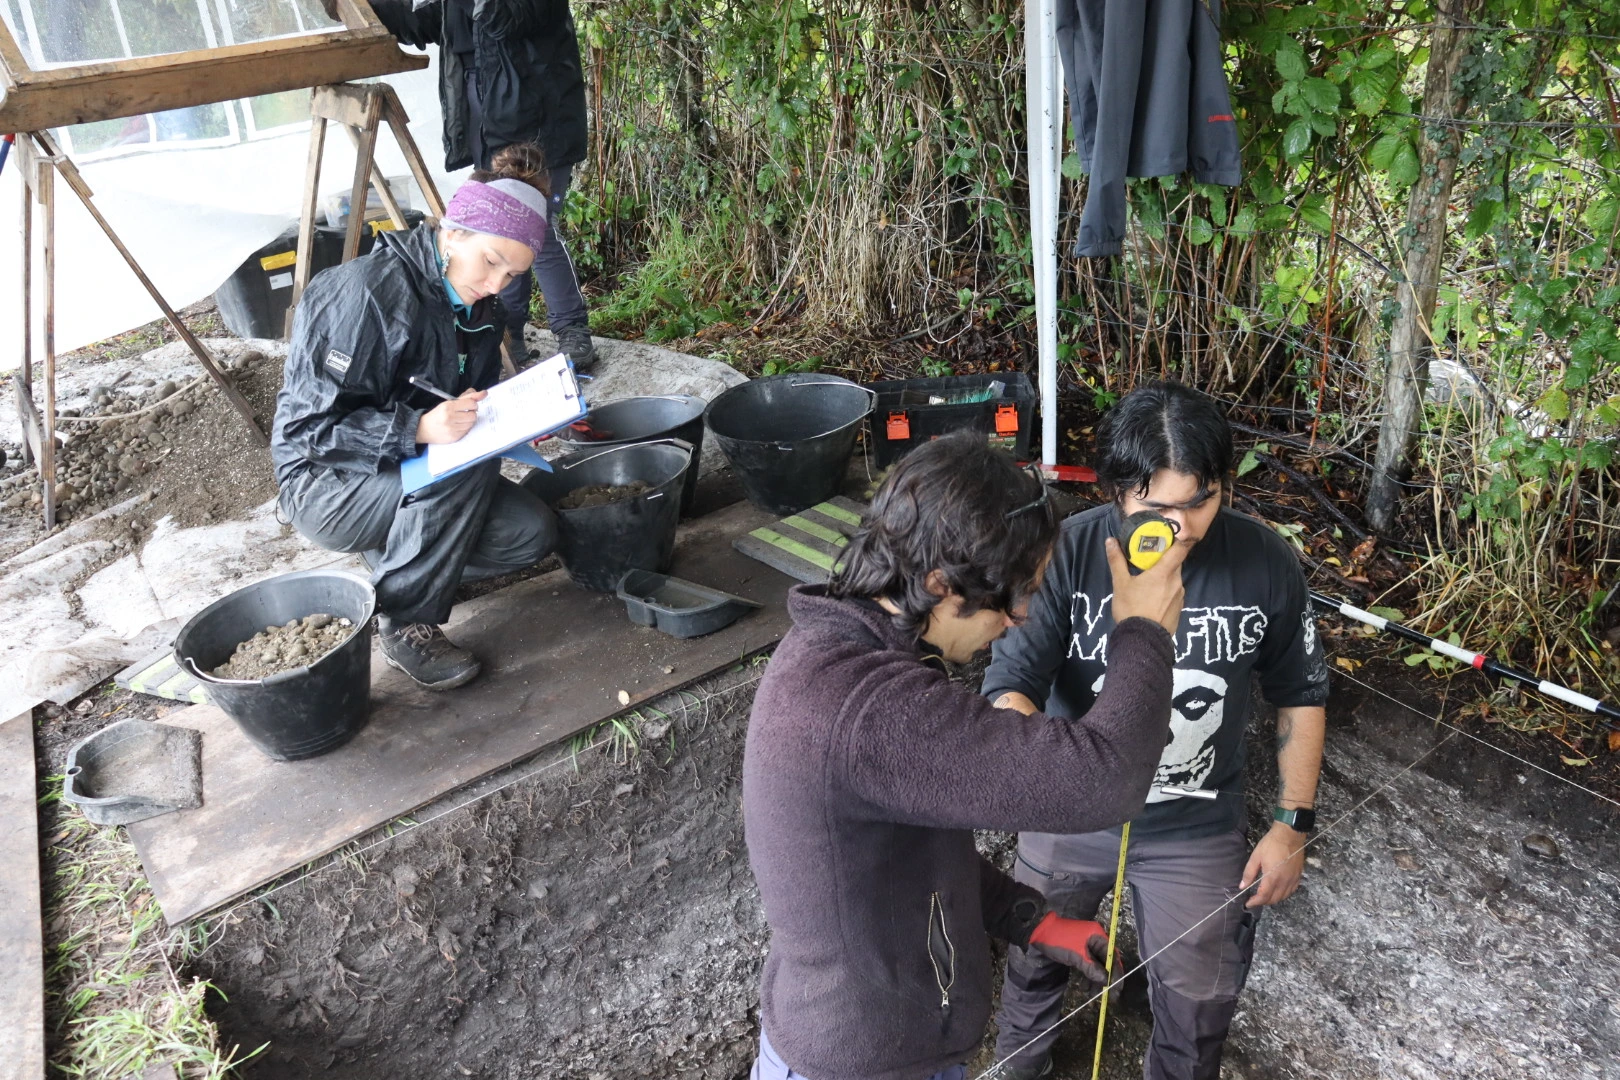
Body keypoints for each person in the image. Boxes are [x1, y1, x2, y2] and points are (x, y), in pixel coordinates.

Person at [742, 432, 1193, 1080]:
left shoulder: (850, 654)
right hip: (862, 1064)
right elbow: (1107, 778)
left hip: (878, 1045)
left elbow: (903, 858)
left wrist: (1027, 918)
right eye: (1012, 596)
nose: (1019, 619)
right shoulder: (874, 711)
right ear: (938, 583)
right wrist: (1144, 630)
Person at [984, 381, 1331, 1080]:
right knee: (1034, 959)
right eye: (1156, 505)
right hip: (1068, 807)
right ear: (1117, 491)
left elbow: (1300, 694)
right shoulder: (1072, 553)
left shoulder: (1264, 562)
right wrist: (1053, 781)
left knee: (1202, 1000)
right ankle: (1023, 1065)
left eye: (1199, 501)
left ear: (1224, 487)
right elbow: (1008, 689)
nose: (1181, 525)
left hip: (1197, 824)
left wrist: (1292, 825)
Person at [272, 145, 560, 691]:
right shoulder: (362, 294)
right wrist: (419, 429)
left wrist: (514, 416)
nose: (499, 284)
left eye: (514, 274)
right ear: (453, 233)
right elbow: (307, 432)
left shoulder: (479, 305)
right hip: (326, 484)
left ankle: (403, 552)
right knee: (465, 463)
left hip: (414, 469)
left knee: (530, 533)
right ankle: (404, 620)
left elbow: (465, 394)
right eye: (492, 261)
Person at [335, 0, 597, 370]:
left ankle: (573, 331)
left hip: (540, 126)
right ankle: (509, 335)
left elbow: (504, 19)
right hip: (488, 128)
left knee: (537, 232)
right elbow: (420, 25)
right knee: (495, 236)